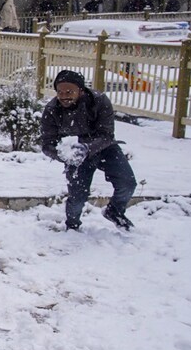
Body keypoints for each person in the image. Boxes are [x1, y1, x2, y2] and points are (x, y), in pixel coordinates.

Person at [40, 69, 136, 231]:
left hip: (105, 148)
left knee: (127, 183)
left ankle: (115, 211)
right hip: (74, 154)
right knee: (78, 196)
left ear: (81, 90)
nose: (64, 96)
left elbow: (106, 134)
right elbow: (47, 144)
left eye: (69, 91)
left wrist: (87, 148)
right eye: (60, 92)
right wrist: (63, 154)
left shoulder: (98, 101)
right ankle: (72, 225)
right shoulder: (52, 110)